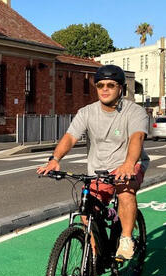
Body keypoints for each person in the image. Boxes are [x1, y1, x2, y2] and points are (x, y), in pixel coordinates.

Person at [37, 65, 150, 260]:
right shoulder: (87, 112)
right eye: (100, 85)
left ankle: (126, 239)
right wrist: (55, 159)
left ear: (121, 88)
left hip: (129, 164)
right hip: (100, 170)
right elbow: (70, 137)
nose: (104, 89)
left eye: (110, 85)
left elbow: (136, 138)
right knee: (86, 204)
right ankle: (95, 253)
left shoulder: (135, 111)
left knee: (125, 191)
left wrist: (129, 163)